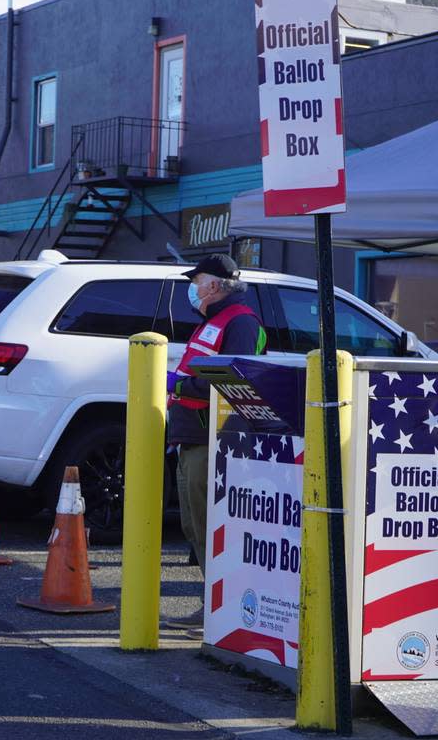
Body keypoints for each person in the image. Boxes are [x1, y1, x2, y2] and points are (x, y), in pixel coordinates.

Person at [164, 253, 267, 630]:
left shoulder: (239, 321)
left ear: (215, 285)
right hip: (192, 434)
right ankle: (213, 604)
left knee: (210, 524)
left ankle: (220, 610)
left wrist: (179, 385)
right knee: (194, 525)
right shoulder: (214, 320)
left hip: (215, 437)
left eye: (197, 281)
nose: (193, 288)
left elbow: (231, 377)